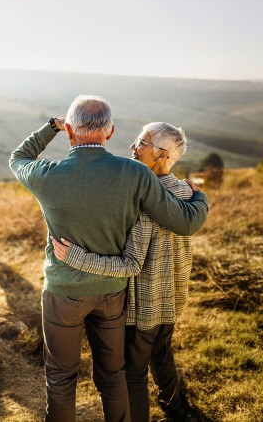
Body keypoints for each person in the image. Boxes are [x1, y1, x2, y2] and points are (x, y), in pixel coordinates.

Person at [9, 95, 209, 422]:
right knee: (113, 375)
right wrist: (199, 196)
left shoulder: (46, 174)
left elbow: (19, 157)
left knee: (61, 378)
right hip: (113, 292)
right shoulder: (135, 174)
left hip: (64, 292)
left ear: (71, 130)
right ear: (111, 131)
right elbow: (184, 221)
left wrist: (51, 128)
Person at [51, 122, 197, 422]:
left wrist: (78, 257)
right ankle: (176, 408)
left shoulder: (145, 200)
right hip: (171, 302)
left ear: (162, 154)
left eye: (141, 142)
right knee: (162, 355)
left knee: (133, 376)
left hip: (143, 308)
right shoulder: (186, 192)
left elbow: (131, 264)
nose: (133, 146)